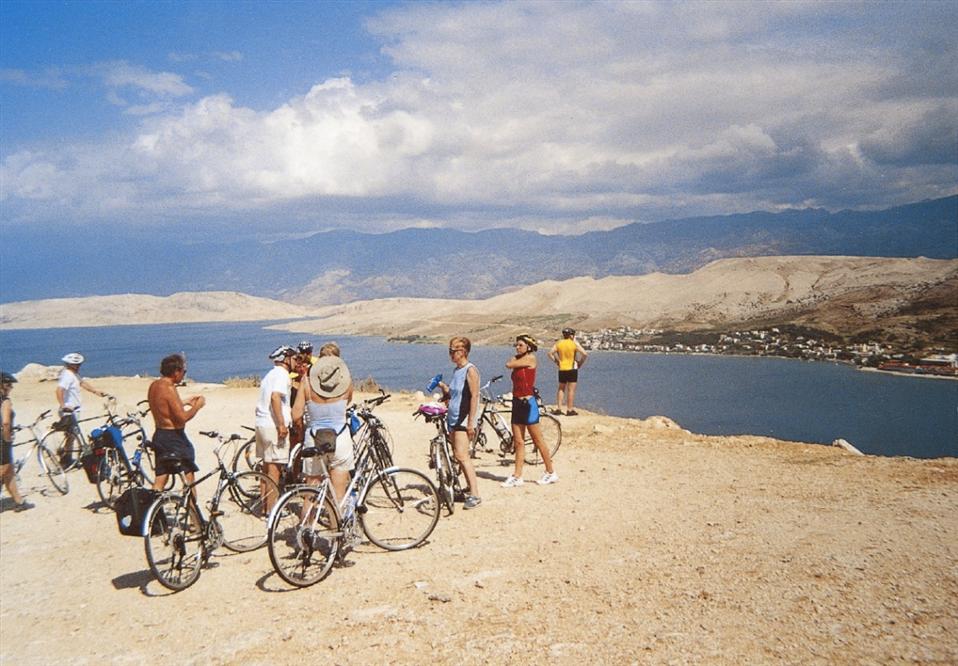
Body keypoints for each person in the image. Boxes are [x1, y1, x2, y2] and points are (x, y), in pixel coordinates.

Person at [292, 353, 354, 504]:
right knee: (338, 495)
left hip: (313, 438)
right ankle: (335, 525)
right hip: (340, 438)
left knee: (311, 491)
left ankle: (306, 524)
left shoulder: (306, 383)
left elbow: (296, 415)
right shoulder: (346, 384)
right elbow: (348, 402)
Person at [501, 335, 558, 487]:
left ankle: (550, 472)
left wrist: (514, 360)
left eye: (520, 345)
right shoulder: (520, 359)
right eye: (516, 345)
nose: (517, 348)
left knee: (537, 440)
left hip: (528, 404)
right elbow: (511, 363)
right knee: (518, 442)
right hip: (517, 403)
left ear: (529, 347)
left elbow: (508, 364)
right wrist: (515, 359)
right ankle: (517, 475)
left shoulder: (531, 359)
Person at [147, 353, 206, 491]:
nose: (184, 375)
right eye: (183, 372)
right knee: (188, 474)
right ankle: (192, 510)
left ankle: (152, 510)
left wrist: (184, 402)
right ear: (176, 372)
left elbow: (163, 406)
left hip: (160, 434)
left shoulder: (155, 385)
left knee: (162, 475)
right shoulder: (169, 388)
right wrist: (197, 406)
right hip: (174, 437)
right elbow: (182, 418)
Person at [439, 336, 482, 509]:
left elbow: (474, 396)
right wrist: (444, 389)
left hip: (464, 419)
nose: (450, 354)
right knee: (457, 455)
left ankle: (476, 495)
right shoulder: (457, 370)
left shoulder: (471, 370)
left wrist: (471, 423)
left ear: (462, 352)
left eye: (453, 351)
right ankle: (468, 488)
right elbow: (456, 393)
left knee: (463, 456)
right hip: (453, 418)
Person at [255, 346, 295, 511]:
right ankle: (272, 511)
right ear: (286, 358)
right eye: (293, 358)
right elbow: (275, 397)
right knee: (274, 470)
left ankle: (265, 507)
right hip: (273, 426)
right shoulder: (281, 374)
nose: (295, 361)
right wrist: (281, 424)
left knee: (266, 468)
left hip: (262, 424)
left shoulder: (270, 375)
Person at [55, 352, 110, 462]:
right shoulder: (68, 376)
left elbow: (82, 383)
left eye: (80, 364)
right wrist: (63, 406)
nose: (79, 366)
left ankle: (66, 456)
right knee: (72, 435)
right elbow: (59, 390)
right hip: (69, 410)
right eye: (77, 364)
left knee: (71, 435)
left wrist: (96, 391)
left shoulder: (74, 374)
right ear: (71, 365)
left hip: (74, 409)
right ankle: (66, 459)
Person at [1, 371, 34, 512]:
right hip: (2, 442)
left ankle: (19, 502)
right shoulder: (5, 401)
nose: (11, 388)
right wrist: (7, 438)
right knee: (4, 471)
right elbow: (6, 423)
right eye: (8, 385)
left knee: (9, 473)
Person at [548, 328, 588, 416]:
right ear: (571, 335)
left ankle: (559, 408)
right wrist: (580, 363)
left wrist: (557, 362)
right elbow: (585, 354)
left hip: (562, 368)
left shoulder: (559, 343)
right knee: (571, 390)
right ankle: (569, 410)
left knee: (561, 388)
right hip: (572, 368)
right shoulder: (574, 344)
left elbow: (550, 353)